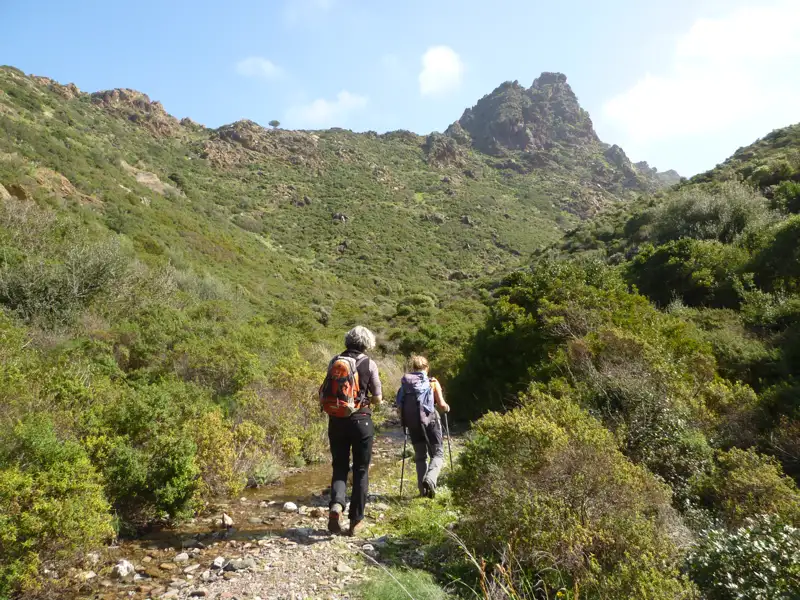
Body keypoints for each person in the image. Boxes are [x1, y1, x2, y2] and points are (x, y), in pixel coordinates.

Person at [320, 326, 382, 536]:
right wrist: (371, 401)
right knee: (361, 470)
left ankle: (336, 505)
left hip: (336, 420)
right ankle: (356, 520)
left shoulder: (335, 360)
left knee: (339, 466)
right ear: (367, 343)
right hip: (361, 420)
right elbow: (378, 397)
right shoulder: (369, 363)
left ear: (348, 340)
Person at [396, 355, 450, 499]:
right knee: (437, 454)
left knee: (420, 457)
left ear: (412, 367)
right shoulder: (432, 382)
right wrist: (446, 408)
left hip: (413, 424)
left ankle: (423, 492)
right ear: (427, 367)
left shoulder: (405, 384)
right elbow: (442, 405)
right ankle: (430, 479)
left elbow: (399, 407)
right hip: (431, 422)